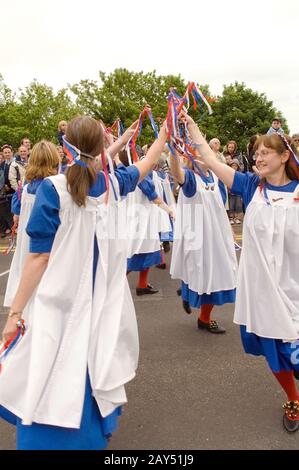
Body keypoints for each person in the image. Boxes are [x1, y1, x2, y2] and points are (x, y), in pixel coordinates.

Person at [0, 115, 168, 449]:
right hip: (102, 302)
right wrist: (163, 133)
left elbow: (38, 258)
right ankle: (89, 435)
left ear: (65, 147)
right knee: (91, 363)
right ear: (101, 147)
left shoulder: (52, 189)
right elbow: (148, 162)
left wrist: (14, 313)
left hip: (56, 301)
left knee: (48, 369)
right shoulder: (113, 184)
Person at [182, 115, 299, 432]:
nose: (258, 158)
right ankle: (293, 398)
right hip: (265, 293)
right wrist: (191, 126)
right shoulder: (251, 187)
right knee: (275, 352)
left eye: (265, 153)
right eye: (256, 152)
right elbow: (207, 156)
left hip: (295, 289)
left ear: (285, 156)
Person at [169, 130, 237, 334]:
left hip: (217, 236)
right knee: (205, 275)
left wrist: (230, 231)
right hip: (199, 238)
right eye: (197, 152)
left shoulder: (215, 178)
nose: (203, 155)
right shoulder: (190, 179)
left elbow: (220, 208)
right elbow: (177, 173)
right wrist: (173, 152)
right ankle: (204, 318)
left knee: (219, 274)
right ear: (191, 157)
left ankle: (189, 296)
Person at [4, 141, 60, 308]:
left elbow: (16, 215)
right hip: (46, 244)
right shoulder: (56, 188)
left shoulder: (25, 188)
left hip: (26, 246)